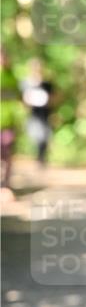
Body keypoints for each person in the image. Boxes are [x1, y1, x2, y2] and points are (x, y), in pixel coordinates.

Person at [21, 58, 54, 165]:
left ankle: (41, 158)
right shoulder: (26, 83)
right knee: (36, 136)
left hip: (45, 114)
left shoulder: (46, 84)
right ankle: (38, 157)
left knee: (44, 136)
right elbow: (22, 99)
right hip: (33, 115)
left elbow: (54, 97)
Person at [0, 47, 22, 197]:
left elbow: (19, 97)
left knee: (7, 153)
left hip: (9, 122)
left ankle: (6, 184)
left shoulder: (12, 76)